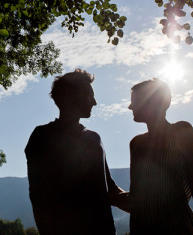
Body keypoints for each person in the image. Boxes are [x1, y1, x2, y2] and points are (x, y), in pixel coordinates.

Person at [25, 69, 127, 235]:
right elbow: (38, 197)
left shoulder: (95, 139)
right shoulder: (42, 136)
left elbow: (109, 187)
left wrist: (147, 205)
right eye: (90, 95)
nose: (95, 102)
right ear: (73, 96)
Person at [127, 78, 193, 235]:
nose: (130, 106)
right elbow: (136, 200)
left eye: (135, 100)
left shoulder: (182, 131)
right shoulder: (136, 144)